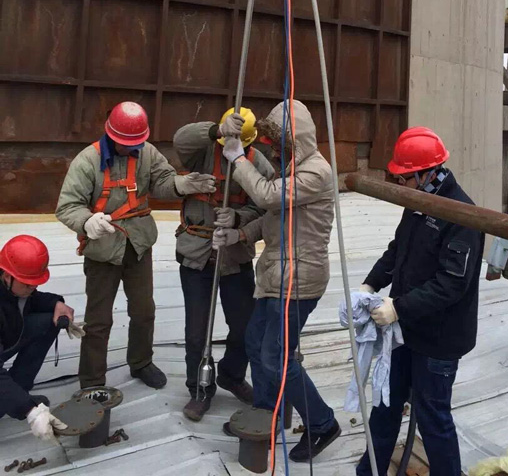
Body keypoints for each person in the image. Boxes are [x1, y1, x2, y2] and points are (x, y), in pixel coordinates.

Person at [56, 101, 216, 390]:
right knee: (98, 320)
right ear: (112, 136)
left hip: (138, 246)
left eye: (137, 143)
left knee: (144, 311)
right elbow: (67, 206)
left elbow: (162, 181)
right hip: (103, 250)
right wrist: (87, 221)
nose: (133, 148)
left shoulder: (147, 152)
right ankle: (92, 380)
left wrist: (181, 185)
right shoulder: (87, 161)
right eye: (127, 144)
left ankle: (141, 362)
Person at [214, 100, 341, 463]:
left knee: (277, 357)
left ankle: (322, 423)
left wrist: (238, 159)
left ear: (295, 140)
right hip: (277, 274)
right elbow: (274, 215)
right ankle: (268, 413)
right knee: (256, 343)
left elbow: (268, 196)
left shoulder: (316, 172)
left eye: (279, 143)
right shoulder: (292, 168)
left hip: (299, 279)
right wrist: (239, 233)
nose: (273, 149)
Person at [355, 127, 485, 476]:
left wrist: (397, 307)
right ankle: (369, 472)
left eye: (404, 178)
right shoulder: (418, 202)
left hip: (439, 340)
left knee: (433, 419)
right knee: (385, 406)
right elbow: (398, 249)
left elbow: (452, 284)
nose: (400, 185)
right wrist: (371, 283)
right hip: (405, 330)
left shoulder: (463, 216)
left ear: (428, 173)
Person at [173, 107, 273, 421]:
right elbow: (180, 139)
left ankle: (232, 374)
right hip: (196, 255)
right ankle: (199, 388)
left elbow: (266, 207)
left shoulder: (258, 164)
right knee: (196, 332)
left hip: (234, 257)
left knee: (245, 327)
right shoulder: (202, 151)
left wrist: (238, 218)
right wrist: (216, 130)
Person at [0, 235, 82, 442]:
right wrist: (30, 411)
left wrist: (57, 304)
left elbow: (34, 299)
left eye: (35, 283)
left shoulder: (14, 287)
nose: (33, 289)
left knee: (48, 322)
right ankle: (13, 400)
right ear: (7, 276)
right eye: (28, 284)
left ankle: (18, 390)